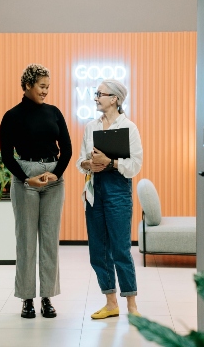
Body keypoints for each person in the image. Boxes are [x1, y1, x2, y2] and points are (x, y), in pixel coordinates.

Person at [0, 64, 72, 319]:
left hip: (53, 178)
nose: (45, 92)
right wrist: (26, 179)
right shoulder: (11, 116)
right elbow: (6, 156)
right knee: (26, 240)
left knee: (50, 240)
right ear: (28, 85)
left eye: (48, 87)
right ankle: (27, 299)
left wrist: (56, 174)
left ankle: (47, 298)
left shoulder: (54, 112)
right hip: (25, 176)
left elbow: (67, 149)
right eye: (42, 86)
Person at [76, 79, 143, 318]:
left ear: (114, 98)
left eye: (99, 94)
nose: (96, 98)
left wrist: (110, 162)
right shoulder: (90, 127)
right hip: (95, 191)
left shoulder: (129, 128)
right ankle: (111, 303)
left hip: (118, 191)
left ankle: (132, 306)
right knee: (98, 250)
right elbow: (80, 161)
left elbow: (135, 164)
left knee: (120, 250)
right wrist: (87, 163)